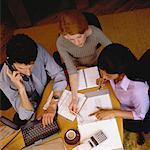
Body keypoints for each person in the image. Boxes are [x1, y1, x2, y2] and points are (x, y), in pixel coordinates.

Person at [0, 34, 67, 127]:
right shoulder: (3, 80)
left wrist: (52, 104)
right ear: (10, 63)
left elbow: (59, 74)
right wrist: (21, 89)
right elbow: (26, 115)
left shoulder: (37, 50)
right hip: (32, 108)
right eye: (21, 68)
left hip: (46, 93)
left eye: (31, 66)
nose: (28, 73)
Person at [56, 9, 112, 113]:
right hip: (78, 67)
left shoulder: (94, 32)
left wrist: (104, 70)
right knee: (83, 92)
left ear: (85, 31)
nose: (77, 42)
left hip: (96, 63)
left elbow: (113, 50)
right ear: (65, 36)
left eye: (79, 37)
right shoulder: (61, 42)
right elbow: (71, 70)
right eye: (71, 39)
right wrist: (74, 98)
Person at [90, 43, 149, 132]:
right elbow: (107, 74)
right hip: (116, 101)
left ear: (122, 72)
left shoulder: (137, 91)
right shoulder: (113, 71)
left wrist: (113, 113)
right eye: (102, 72)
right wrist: (106, 79)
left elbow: (141, 115)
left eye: (108, 75)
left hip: (127, 113)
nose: (104, 76)